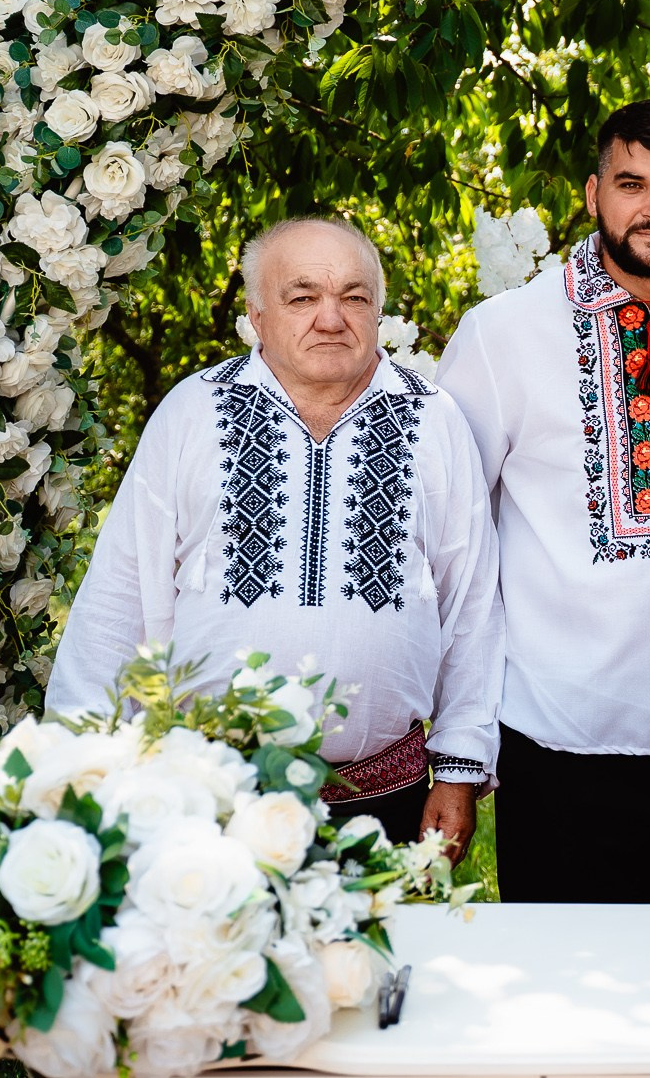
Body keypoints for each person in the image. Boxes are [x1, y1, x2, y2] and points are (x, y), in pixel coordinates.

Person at [46, 218, 501, 853]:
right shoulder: (194, 411)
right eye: (302, 296)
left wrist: (458, 767)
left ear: (378, 310)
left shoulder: (434, 421)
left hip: (383, 805)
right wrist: (78, 763)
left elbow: (472, 602)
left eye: (354, 296)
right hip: (208, 800)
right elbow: (122, 594)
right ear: (257, 315)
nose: (331, 319)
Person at [436, 98, 650, 903]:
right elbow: (452, 545)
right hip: (557, 749)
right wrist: (459, 748)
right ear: (595, 194)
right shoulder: (503, 332)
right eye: (632, 184)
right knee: (568, 982)